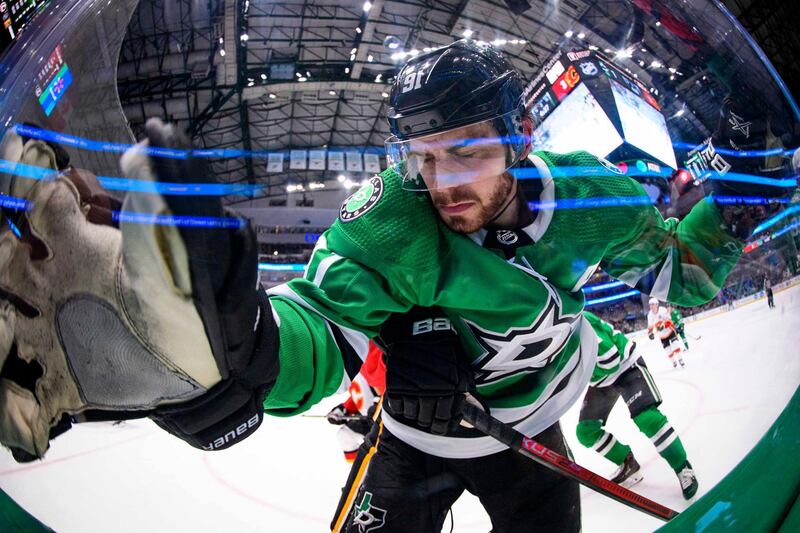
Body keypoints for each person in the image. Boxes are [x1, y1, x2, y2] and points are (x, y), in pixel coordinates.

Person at [2, 39, 790, 532]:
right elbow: (318, 315)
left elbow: (676, 275)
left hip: (534, 441)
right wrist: (250, 348)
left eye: (467, 152)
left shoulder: (597, 195)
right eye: (422, 155)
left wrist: (733, 208)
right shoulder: (392, 216)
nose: (441, 182)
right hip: (411, 443)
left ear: (517, 136)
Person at [576, 311, 698, 500]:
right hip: (601, 380)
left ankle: (683, 467)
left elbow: (610, 361)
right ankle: (627, 462)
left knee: (647, 419)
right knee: (586, 431)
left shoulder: (576, 323)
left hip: (625, 366)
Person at [327, 342, 385, 462]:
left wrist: (379, 409)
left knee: (346, 436)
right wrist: (346, 408)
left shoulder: (369, 354)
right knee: (345, 436)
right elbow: (362, 392)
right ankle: (361, 477)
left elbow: (385, 388)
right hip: (373, 416)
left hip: (387, 419)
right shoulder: (350, 362)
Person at [648, 297, 686, 368]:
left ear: (657, 304)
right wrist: (650, 333)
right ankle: (673, 361)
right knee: (668, 350)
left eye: (652, 304)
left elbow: (669, 319)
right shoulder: (650, 315)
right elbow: (650, 326)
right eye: (650, 305)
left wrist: (664, 325)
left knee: (675, 344)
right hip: (662, 335)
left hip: (670, 331)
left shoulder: (663, 310)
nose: (651, 306)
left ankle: (680, 359)